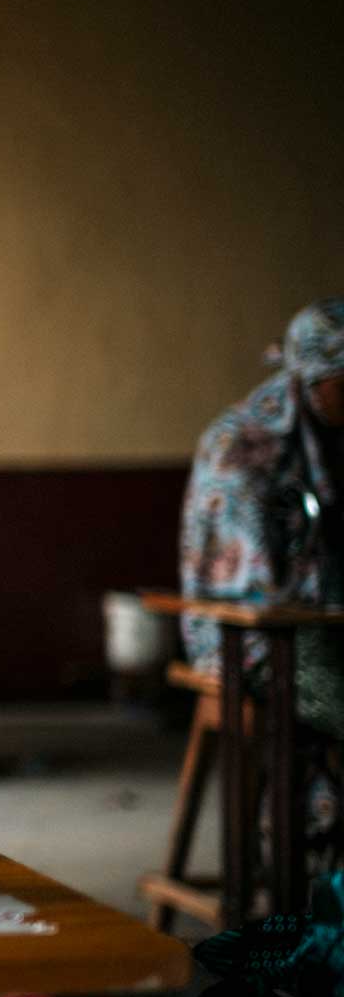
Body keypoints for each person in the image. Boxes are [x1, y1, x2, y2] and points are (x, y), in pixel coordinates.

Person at [182, 299, 344, 741]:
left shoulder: (328, 436)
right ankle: (309, 809)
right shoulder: (243, 449)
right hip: (250, 639)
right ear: (314, 379)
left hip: (320, 627)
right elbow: (256, 594)